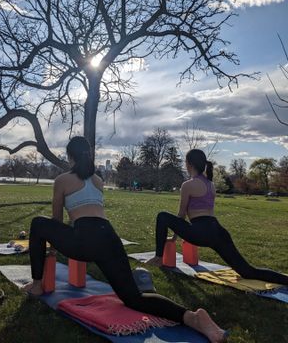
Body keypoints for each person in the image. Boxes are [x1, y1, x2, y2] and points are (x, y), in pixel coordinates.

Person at [22, 137, 227, 343]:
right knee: (134, 298)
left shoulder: (62, 180)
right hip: (109, 237)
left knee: (38, 224)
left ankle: (37, 284)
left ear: (70, 157)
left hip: (84, 238)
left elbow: (57, 221)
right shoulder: (98, 181)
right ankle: (192, 317)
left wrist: (53, 249)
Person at [146, 149, 288, 285]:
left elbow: (181, 215)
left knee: (162, 216)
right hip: (219, 232)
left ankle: (158, 258)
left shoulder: (188, 185)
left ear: (189, 164)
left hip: (200, 232)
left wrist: (174, 238)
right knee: (248, 271)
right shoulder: (211, 184)